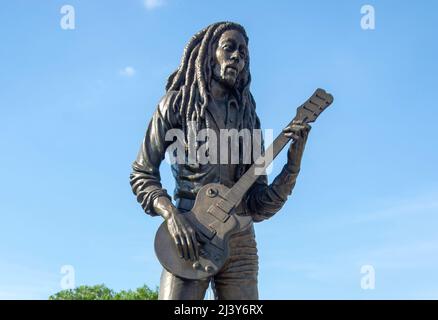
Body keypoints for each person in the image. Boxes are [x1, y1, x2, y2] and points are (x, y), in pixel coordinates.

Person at [130, 21, 310, 300]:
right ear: (209, 53)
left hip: (240, 242)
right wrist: (172, 216)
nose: (238, 56)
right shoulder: (175, 105)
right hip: (190, 234)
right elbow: (142, 173)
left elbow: (258, 205)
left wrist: (292, 166)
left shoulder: (249, 118)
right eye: (230, 48)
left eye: (244, 53)